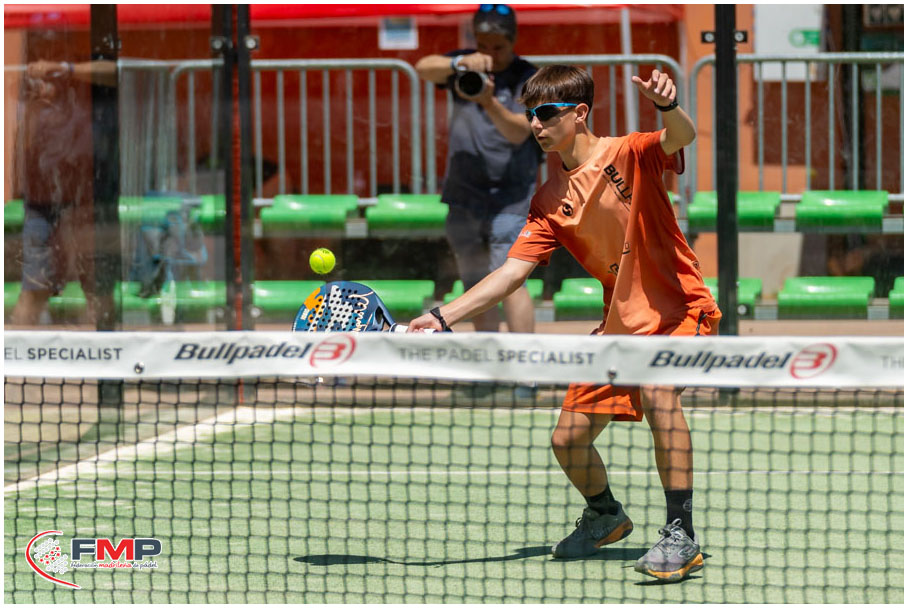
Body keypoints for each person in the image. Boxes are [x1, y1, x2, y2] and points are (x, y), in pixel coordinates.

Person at [408, 65, 720, 582]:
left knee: (660, 390)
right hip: (619, 328)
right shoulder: (549, 201)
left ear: (579, 113)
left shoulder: (630, 152)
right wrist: (442, 317)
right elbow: (511, 274)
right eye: (531, 115)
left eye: (547, 113)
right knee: (567, 440)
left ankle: (680, 534)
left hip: (679, 310)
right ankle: (605, 515)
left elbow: (679, 136)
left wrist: (667, 105)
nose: (536, 124)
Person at [415, 4, 539, 333]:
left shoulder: (527, 76)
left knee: (509, 279)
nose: (489, 55)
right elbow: (423, 68)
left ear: (512, 42)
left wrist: (488, 100)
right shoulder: (465, 64)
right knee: (474, 284)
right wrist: (459, 63)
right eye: (483, 45)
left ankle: (524, 363)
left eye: (498, 47)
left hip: (510, 197)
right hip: (463, 194)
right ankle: (487, 361)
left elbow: (519, 132)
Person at [10, 54, 117, 326]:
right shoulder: (30, 109)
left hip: (86, 198)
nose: (43, 85)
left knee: (96, 285)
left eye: (49, 78)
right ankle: (18, 351)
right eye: (37, 81)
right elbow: (22, 151)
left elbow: (117, 70)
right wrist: (34, 103)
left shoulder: (83, 94)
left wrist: (65, 69)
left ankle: (105, 347)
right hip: (42, 201)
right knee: (34, 287)